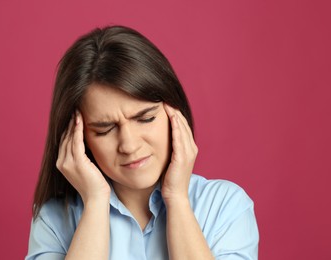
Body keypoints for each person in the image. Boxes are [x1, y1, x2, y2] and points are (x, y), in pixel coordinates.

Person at [25, 25, 259, 260]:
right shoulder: (54, 219)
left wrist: (177, 198)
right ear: (78, 138)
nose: (129, 145)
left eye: (145, 118)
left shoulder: (225, 206)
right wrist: (95, 202)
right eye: (105, 130)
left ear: (174, 113)